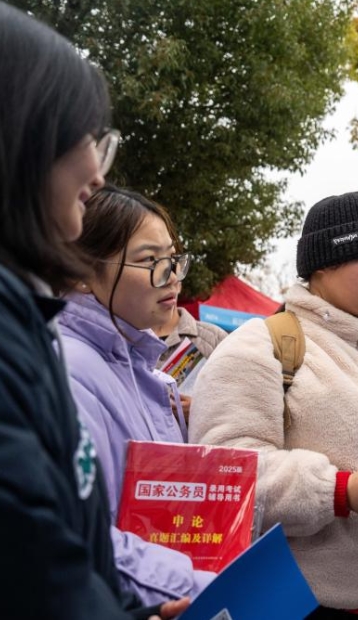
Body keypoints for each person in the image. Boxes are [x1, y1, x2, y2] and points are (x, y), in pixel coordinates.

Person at [0, 5, 186, 618]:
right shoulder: (47, 353)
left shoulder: (34, 329)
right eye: (82, 137)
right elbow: (44, 563)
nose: (96, 170)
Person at [190, 191, 358, 619]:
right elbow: (223, 474)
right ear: (321, 263)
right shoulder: (260, 347)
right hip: (301, 605)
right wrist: (338, 491)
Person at [59, 186, 215, 605]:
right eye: (150, 261)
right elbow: (82, 534)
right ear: (82, 271)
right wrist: (203, 584)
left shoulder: (148, 372)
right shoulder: (67, 370)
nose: (174, 277)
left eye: (173, 259)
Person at [154, 304, 228, 422]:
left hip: (203, 438)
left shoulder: (214, 337)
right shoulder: (123, 344)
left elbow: (240, 400)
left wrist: (201, 411)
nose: (168, 287)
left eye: (173, 284)